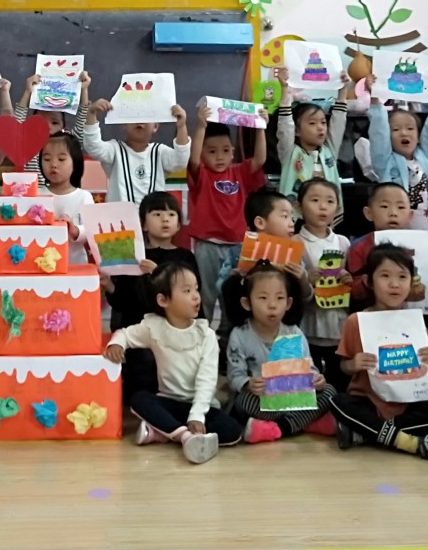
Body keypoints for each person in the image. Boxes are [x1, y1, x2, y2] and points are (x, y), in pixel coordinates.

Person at [330, 246, 428, 465]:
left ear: (411, 282)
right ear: (369, 281)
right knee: (338, 402)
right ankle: (413, 443)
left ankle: (366, 433)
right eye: (385, 276)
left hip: (408, 403)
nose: (394, 284)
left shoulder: (416, 322)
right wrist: (353, 364)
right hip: (368, 401)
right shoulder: (356, 321)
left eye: (402, 276)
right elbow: (343, 366)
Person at [104, 261, 240, 465]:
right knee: (139, 399)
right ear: (163, 300)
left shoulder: (206, 335)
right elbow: (125, 334)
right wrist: (116, 344)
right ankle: (185, 437)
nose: (196, 296)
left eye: (196, 289)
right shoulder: (153, 327)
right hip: (169, 402)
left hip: (201, 406)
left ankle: (163, 432)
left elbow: (207, 380)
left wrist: (197, 416)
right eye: (187, 291)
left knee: (232, 431)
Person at [103, 192, 202, 404]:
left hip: (175, 331)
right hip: (140, 332)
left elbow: (192, 297)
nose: (165, 219)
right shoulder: (133, 257)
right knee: (140, 375)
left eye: (171, 214)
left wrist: (160, 275)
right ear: (143, 224)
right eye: (157, 214)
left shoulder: (185, 257)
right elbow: (122, 302)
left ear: (178, 224)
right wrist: (109, 285)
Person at [226, 261, 336, 444]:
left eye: (279, 298)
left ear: (288, 303)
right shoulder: (240, 335)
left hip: (293, 396)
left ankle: (279, 428)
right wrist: (248, 384)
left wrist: (317, 379)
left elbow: (309, 367)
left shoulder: (293, 332)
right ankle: (304, 422)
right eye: (263, 298)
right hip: (261, 398)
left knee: (329, 391)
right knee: (243, 402)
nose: (272, 305)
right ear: (247, 303)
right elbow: (234, 376)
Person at [187, 102, 266, 321]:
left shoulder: (240, 172)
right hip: (208, 245)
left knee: (233, 295)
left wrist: (260, 128)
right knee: (206, 293)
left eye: (225, 151)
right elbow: (193, 159)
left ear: (233, 152)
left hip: (238, 246)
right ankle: (203, 330)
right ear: (203, 154)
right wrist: (201, 127)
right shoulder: (201, 175)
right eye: (212, 152)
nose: (219, 157)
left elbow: (260, 159)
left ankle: (228, 333)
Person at [366, 74, 428, 235]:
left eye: (410, 128)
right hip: (396, 234)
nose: (404, 133)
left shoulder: (425, 157)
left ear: (419, 136)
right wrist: (375, 97)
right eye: (396, 129)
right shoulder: (385, 161)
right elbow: (378, 131)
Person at [81, 95, 190, 205]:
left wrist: (181, 127)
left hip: (152, 214)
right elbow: (93, 147)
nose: (140, 120)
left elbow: (180, 161)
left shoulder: (159, 152)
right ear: (124, 124)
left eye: (146, 116)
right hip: (120, 214)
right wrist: (91, 113)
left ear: (155, 126)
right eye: (134, 116)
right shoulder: (114, 150)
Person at [296, 178, 351, 392]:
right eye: (315, 200)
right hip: (310, 320)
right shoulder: (295, 243)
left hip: (338, 322)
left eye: (330, 201)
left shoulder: (343, 242)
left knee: (339, 377)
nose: (323, 207)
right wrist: (306, 278)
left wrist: (348, 279)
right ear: (299, 207)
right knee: (313, 377)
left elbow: (351, 284)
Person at [216, 189, 297, 320]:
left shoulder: (293, 254)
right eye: (284, 216)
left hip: (282, 325)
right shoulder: (236, 253)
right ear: (260, 223)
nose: (291, 223)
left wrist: (302, 278)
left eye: (292, 218)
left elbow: (303, 296)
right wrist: (232, 278)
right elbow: (220, 288)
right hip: (243, 324)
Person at [275, 68, 349, 205]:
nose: (320, 127)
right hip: (296, 214)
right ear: (297, 130)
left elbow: (338, 122)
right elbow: (285, 125)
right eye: (312, 123)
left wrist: (343, 90)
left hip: (327, 214)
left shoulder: (329, 151)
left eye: (323, 122)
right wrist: (284, 89)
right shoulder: (289, 153)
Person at [345, 183, 412, 309]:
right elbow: (355, 290)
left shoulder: (421, 245)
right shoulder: (359, 247)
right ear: (368, 213)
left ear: (410, 215)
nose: (393, 213)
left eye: (401, 207)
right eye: (384, 206)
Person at [14, 71, 91, 177]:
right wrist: (28, 92)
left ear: (63, 127)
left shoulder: (68, 143)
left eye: (55, 122)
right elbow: (15, 126)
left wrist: (83, 89)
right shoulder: (27, 143)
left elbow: (83, 123)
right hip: (34, 188)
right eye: (40, 122)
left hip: (62, 188)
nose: (47, 126)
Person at [39, 132, 94, 265]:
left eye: (61, 159)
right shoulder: (36, 195)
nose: (53, 164)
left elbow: (92, 231)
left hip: (75, 265)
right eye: (47, 159)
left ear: (75, 162)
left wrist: (74, 230)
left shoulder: (84, 197)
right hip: (41, 264)